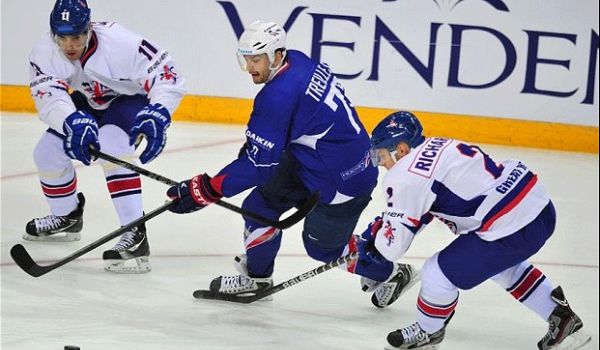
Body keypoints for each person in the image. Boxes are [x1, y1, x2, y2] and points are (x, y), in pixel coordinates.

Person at [166, 20, 417, 307]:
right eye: (246, 59)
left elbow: (258, 165)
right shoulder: (296, 60)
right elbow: (280, 138)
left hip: (343, 181)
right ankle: (257, 277)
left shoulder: (278, 96)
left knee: (323, 250)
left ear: (276, 55)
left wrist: (205, 190)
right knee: (259, 207)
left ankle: (390, 273)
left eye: (256, 59)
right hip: (312, 161)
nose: (250, 67)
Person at [358, 111, 591, 349]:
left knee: (436, 273)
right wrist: (391, 224)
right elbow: (425, 204)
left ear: (402, 149)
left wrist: (377, 245)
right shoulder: (438, 144)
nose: (381, 164)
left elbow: (393, 248)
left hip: (512, 226)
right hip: (538, 210)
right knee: (500, 266)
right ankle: (563, 319)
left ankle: (428, 333)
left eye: (382, 156)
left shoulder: (403, 174)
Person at [26, 0, 185, 273]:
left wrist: (159, 111)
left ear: (89, 28)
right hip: (88, 103)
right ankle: (67, 215)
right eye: (62, 37)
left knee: (111, 142)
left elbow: (167, 74)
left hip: (130, 101)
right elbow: (50, 98)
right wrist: (71, 121)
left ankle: (135, 233)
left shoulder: (121, 43)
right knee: (47, 152)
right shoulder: (44, 52)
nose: (69, 45)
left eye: (76, 36)